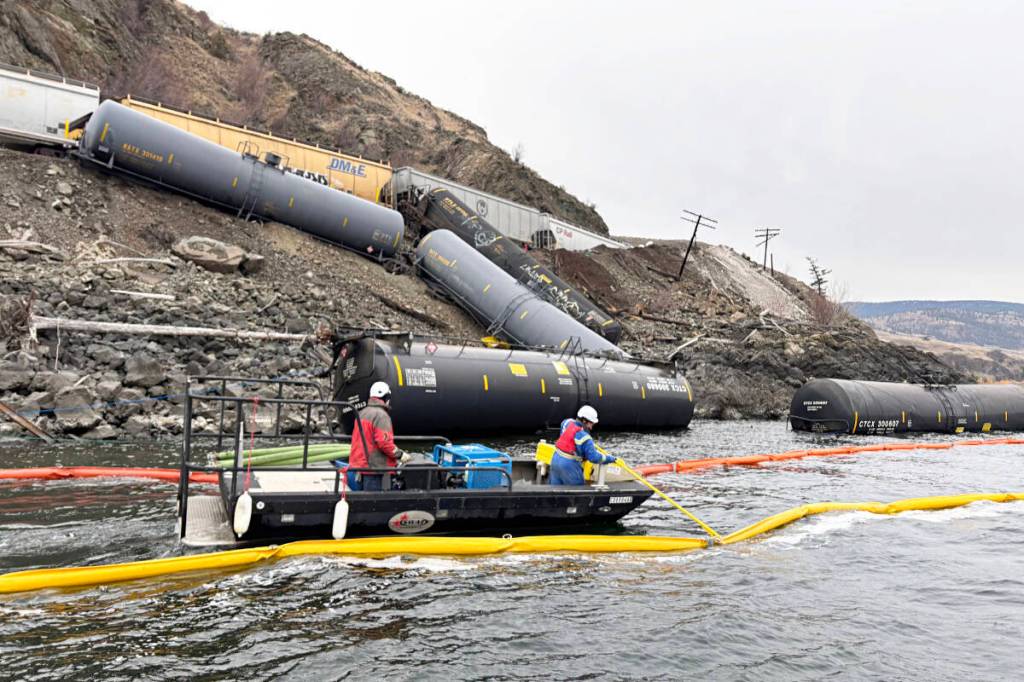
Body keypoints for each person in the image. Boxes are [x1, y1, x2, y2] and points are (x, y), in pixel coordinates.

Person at [345, 381, 409, 491]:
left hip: (359, 466)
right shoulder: (382, 416)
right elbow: (384, 443)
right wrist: (400, 454)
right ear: (386, 397)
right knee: (372, 503)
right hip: (373, 468)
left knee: (362, 499)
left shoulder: (363, 413)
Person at [549, 405, 616, 485]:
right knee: (577, 493)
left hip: (555, 459)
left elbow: (567, 438)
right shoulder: (585, 438)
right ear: (584, 421)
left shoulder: (566, 423)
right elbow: (594, 457)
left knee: (555, 490)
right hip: (569, 466)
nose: (591, 427)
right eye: (591, 424)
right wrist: (609, 458)